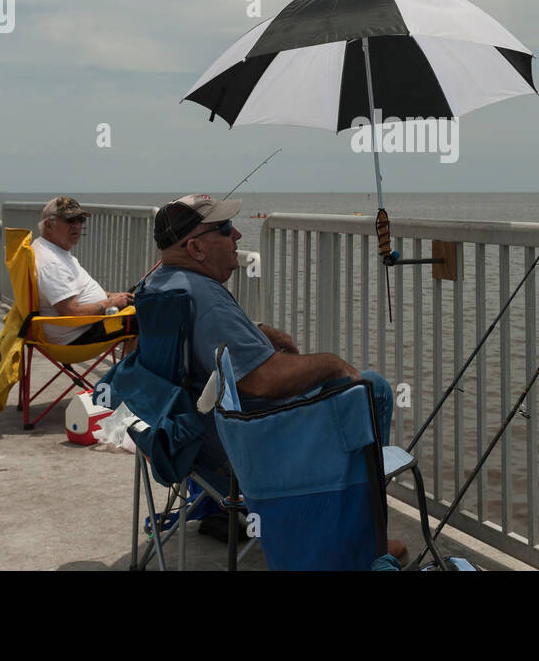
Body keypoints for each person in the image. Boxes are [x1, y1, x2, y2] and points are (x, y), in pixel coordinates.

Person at [140, 194, 407, 560]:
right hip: (244, 454)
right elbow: (262, 381)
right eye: (223, 229)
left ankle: (346, 528)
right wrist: (333, 364)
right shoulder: (206, 298)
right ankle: (357, 542)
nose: (236, 235)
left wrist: (257, 331)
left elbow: (205, 349)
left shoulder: (158, 286)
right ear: (196, 247)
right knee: (369, 388)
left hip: (190, 444)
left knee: (346, 387)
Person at [32, 196, 134, 344]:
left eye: (81, 220)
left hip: (82, 327)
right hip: (77, 336)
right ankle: (133, 367)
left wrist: (113, 296)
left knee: (141, 306)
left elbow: (74, 291)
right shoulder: (51, 262)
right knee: (143, 321)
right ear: (48, 226)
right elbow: (72, 312)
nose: (77, 225)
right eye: (69, 220)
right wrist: (111, 303)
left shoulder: (52, 250)